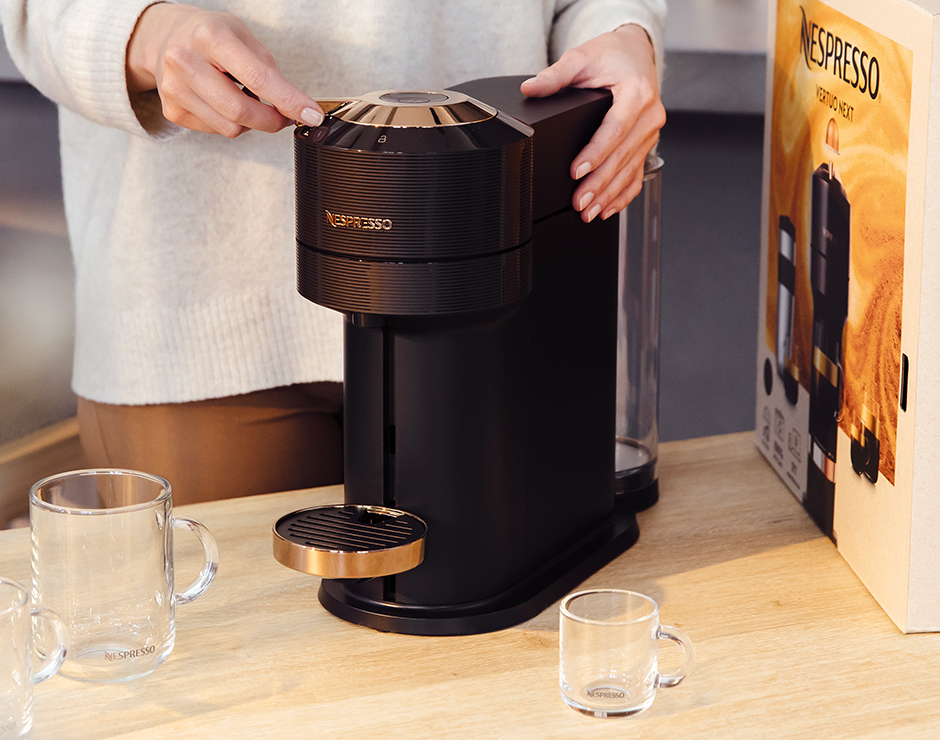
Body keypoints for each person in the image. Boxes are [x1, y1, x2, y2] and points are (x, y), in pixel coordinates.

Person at [1, 0, 666, 503]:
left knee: (510, 635)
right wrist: (145, 33)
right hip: (207, 316)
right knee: (243, 642)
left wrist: (623, 31)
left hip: (499, 284)